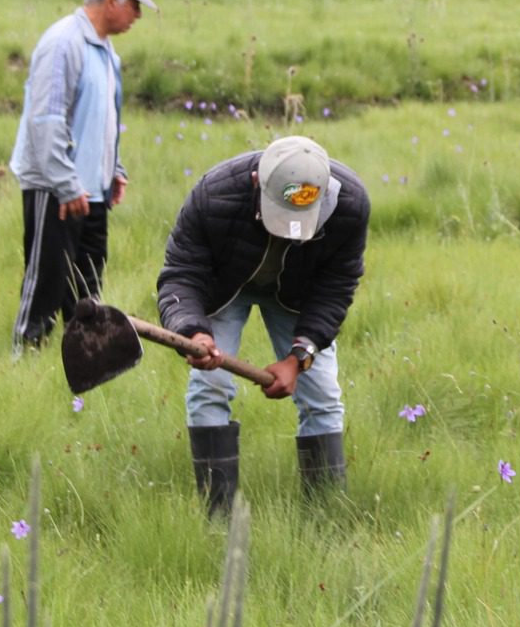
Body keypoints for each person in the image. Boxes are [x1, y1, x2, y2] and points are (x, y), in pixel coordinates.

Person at [156, 136, 370, 514]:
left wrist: (299, 357)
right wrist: (193, 332)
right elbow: (181, 275)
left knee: (322, 396)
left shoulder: (349, 206)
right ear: (257, 182)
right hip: (227, 288)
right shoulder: (214, 194)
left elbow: (335, 290)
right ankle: (217, 519)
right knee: (210, 386)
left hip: (297, 296)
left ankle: (326, 519)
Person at [10, 0, 154, 351]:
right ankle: (24, 361)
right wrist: (65, 183)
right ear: (112, 1)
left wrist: (113, 170)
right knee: (46, 284)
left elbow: (104, 116)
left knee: (86, 290)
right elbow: (47, 120)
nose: (137, 17)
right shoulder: (63, 43)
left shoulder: (106, 50)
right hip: (57, 190)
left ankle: (81, 368)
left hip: (92, 190)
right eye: (135, 7)